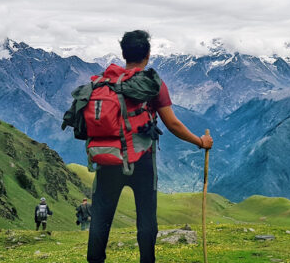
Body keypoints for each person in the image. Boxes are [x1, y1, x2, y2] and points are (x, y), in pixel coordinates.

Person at [87, 30, 213, 263]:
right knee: (146, 217)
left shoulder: (104, 82)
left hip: (107, 158)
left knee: (101, 216)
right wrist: (200, 142)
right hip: (142, 159)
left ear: (124, 54)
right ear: (148, 55)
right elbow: (172, 124)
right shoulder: (152, 84)